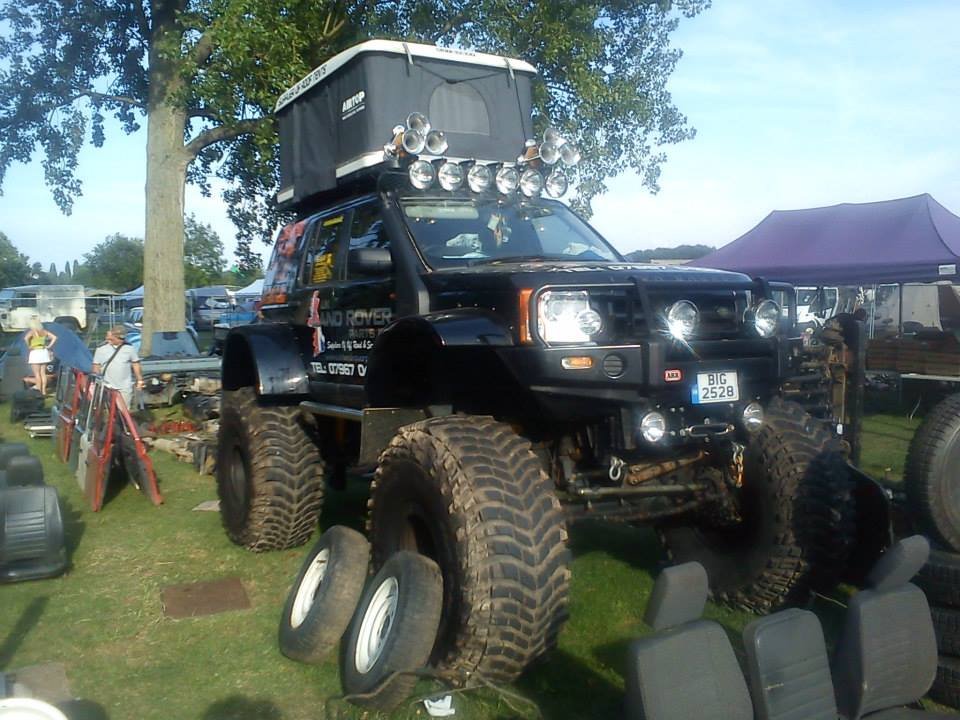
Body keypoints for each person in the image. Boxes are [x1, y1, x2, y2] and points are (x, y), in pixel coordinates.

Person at [92, 325, 144, 409]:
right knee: (110, 410)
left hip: (124, 387)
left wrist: (139, 380)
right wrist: (97, 382)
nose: (121, 340)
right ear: (112, 336)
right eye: (119, 338)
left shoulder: (129, 348)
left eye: (123, 339)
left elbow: (135, 363)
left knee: (124, 411)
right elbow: (96, 366)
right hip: (107, 386)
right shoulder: (101, 349)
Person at [24, 318, 57, 395]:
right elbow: (54, 337)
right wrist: (49, 346)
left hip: (35, 352)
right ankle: (44, 391)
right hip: (43, 352)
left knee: (37, 374)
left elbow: (25, 338)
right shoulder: (43, 331)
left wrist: (29, 346)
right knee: (43, 373)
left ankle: (39, 390)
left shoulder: (32, 332)